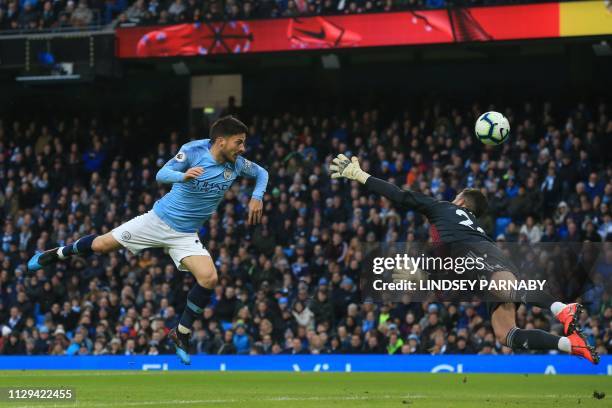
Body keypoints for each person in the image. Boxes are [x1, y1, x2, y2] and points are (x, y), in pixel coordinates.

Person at [27, 116, 269, 365]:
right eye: (238, 142)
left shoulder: (237, 164)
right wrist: (182, 176)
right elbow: (161, 174)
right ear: (220, 141)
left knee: (209, 278)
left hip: (185, 235)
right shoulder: (193, 151)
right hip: (157, 221)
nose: (242, 148)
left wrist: (257, 196)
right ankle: (56, 254)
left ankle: (181, 334)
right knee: (100, 246)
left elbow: (262, 173)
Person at [329, 154, 599, 364]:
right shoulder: (467, 224)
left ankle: (561, 308)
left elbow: (401, 196)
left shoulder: (443, 208)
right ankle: (571, 345)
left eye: (455, 196)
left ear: (460, 201)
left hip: (475, 254)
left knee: (503, 289)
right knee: (506, 334)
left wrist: (362, 176)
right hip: (480, 256)